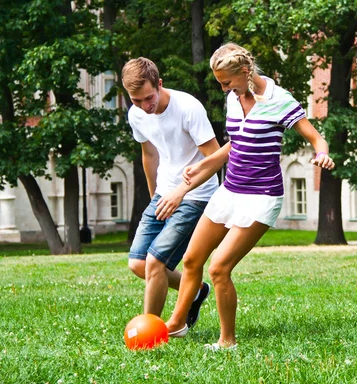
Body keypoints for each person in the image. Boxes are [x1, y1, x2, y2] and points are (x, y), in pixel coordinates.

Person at [164, 43, 335, 346]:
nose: (223, 88)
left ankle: (227, 341)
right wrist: (206, 163)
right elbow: (237, 143)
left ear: (245, 72)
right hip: (229, 190)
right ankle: (176, 324)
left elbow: (315, 137)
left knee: (219, 268)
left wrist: (322, 155)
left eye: (226, 81)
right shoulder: (233, 98)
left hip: (261, 196)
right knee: (192, 260)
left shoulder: (279, 100)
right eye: (219, 82)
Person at [122, 57, 220, 333]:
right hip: (165, 194)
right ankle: (197, 290)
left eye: (148, 98)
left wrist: (181, 191)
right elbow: (149, 154)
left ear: (160, 84)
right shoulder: (136, 114)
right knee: (138, 263)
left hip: (197, 195)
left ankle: (149, 332)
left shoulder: (187, 107)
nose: (144, 106)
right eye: (136, 100)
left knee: (155, 262)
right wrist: (157, 197)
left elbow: (215, 158)